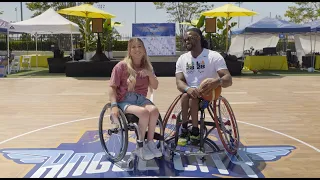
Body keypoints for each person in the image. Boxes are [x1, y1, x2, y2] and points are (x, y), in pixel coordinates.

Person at [175, 28, 233, 146]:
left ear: (198, 38)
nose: (186, 41)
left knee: (192, 98)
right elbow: (179, 82)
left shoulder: (213, 56)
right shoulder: (182, 59)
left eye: (189, 38)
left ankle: (195, 131)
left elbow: (228, 79)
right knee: (186, 96)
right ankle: (186, 128)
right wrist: (188, 88)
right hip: (190, 93)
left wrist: (217, 81)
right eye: (184, 39)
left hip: (208, 92)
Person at [109, 37, 162, 160]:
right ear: (129, 50)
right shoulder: (121, 66)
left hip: (140, 99)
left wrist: (149, 74)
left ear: (144, 50)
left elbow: (155, 86)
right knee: (143, 113)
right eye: (133, 47)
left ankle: (150, 143)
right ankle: (140, 146)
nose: (137, 49)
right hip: (124, 99)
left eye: (139, 47)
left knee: (154, 110)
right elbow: (111, 87)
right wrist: (114, 106)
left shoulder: (147, 67)